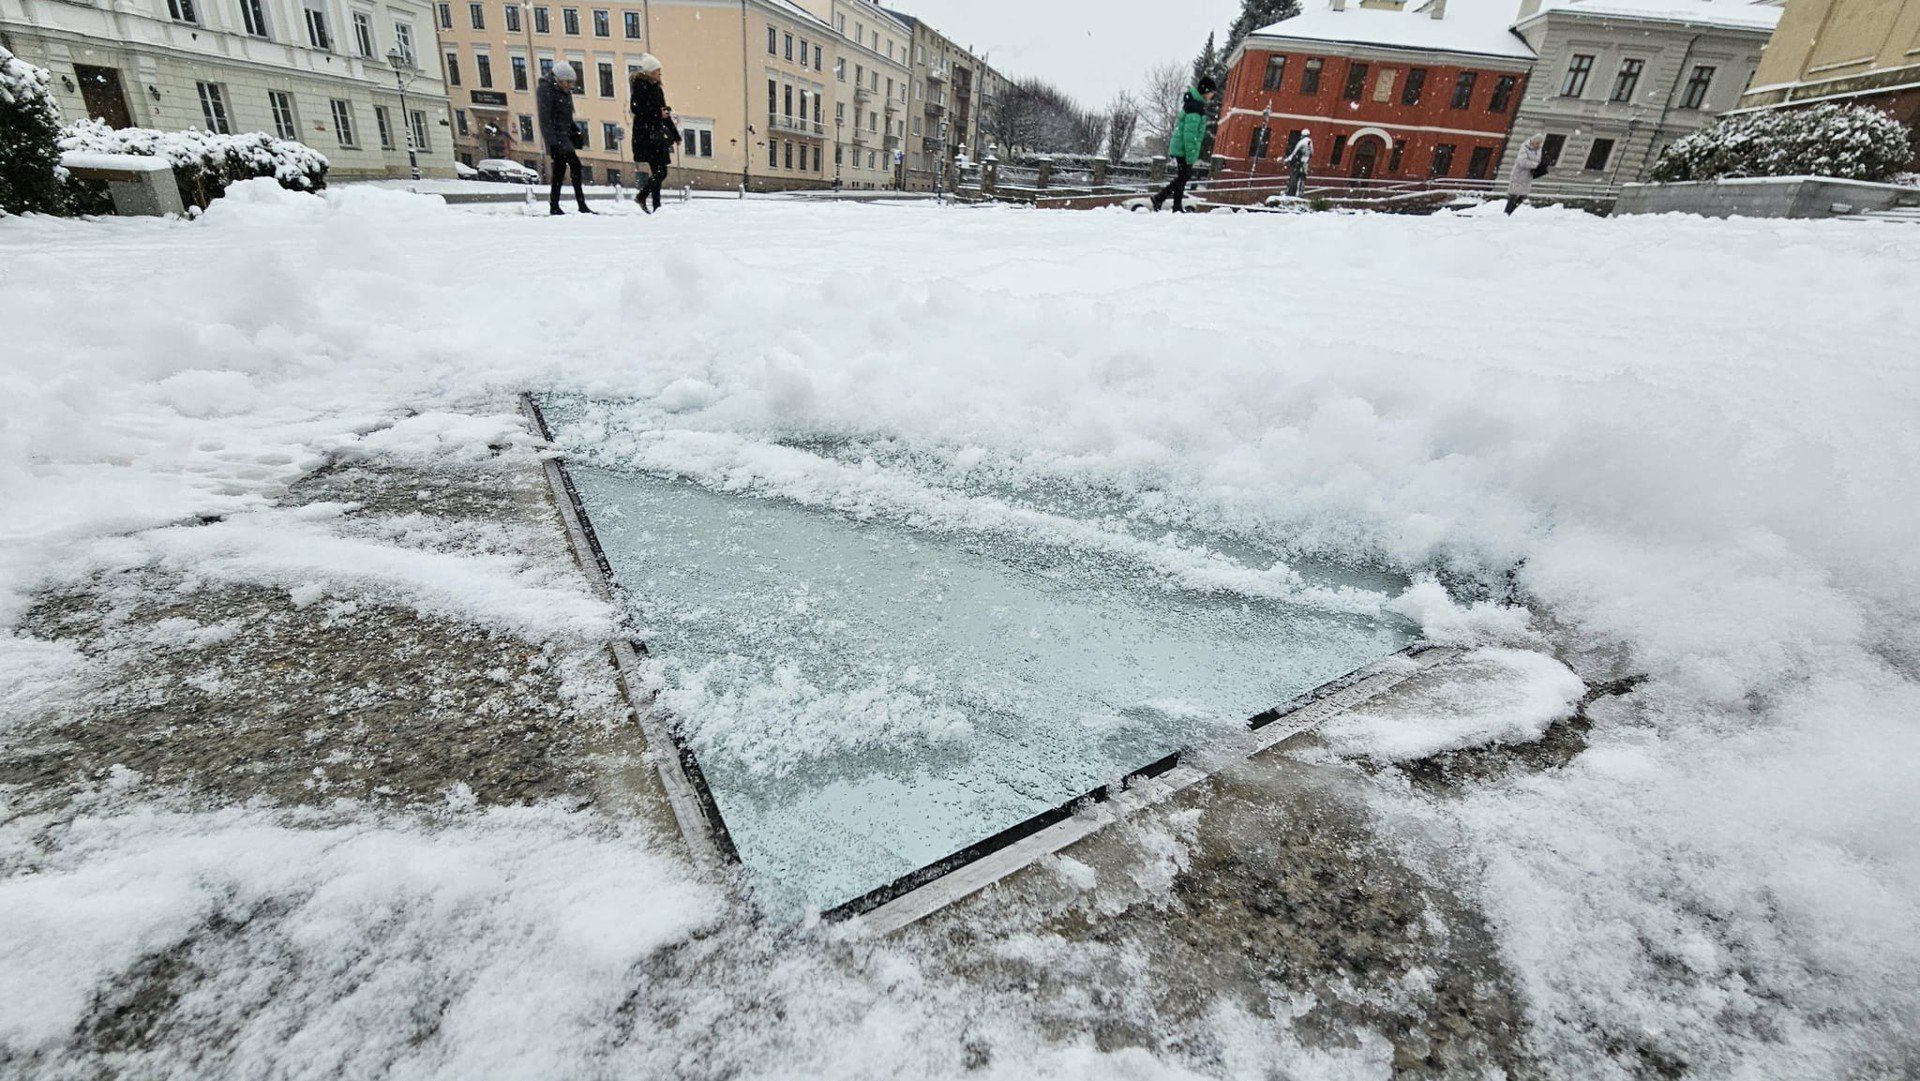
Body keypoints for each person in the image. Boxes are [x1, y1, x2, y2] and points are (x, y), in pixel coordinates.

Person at [1152, 75, 1214, 213]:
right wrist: (1191, 154)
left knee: (1182, 178)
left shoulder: (1194, 104)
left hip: (1181, 147)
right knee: (1183, 177)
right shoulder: (1195, 107)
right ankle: (1160, 199)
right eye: (1211, 92)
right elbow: (1190, 134)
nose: (1212, 95)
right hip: (1184, 149)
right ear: (1206, 91)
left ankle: (1173, 205)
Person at [538, 62, 591, 215]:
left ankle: (556, 205)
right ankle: (575, 205)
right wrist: (552, 143)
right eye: (568, 82)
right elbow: (545, 119)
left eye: (572, 83)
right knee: (573, 166)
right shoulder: (546, 90)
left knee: (561, 170)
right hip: (556, 137)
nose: (570, 86)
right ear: (559, 79)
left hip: (564, 135)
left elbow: (566, 115)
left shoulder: (562, 90)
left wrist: (574, 129)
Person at [628, 53, 679, 214]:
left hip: (657, 135)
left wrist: (674, 133)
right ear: (650, 72)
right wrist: (658, 114)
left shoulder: (656, 88)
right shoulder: (640, 87)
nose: (660, 74)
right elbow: (636, 109)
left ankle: (655, 205)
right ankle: (644, 197)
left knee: (659, 171)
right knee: (660, 172)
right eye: (657, 71)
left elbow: (664, 112)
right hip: (647, 136)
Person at [1506, 133, 1547, 215]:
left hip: (1528, 176)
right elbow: (1522, 162)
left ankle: (1510, 212)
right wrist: (1536, 165)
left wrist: (1540, 166)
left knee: (1523, 196)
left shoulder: (1538, 150)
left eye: (1540, 143)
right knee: (1513, 195)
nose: (1538, 145)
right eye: (1537, 143)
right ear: (1533, 141)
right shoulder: (1524, 148)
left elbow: (1538, 161)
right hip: (1519, 176)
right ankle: (1507, 212)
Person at [1283, 130, 1313, 199]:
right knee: (1302, 179)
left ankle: (1290, 192)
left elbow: (1294, 153)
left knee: (1294, 177)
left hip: (1299, 163)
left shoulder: (1302, 142)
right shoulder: (1310, 143)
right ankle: (1300, 193)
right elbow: (1312, 153)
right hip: (1306, 163)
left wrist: (1287, 160)